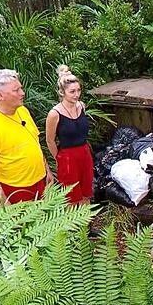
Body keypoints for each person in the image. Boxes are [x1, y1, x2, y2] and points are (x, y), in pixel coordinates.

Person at [0, 69, 53, 206]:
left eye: (21, 88)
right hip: (15, 189)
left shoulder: (22, 110)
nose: (22, 93)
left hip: (40, 181)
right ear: (0, 95)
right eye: (16, 90)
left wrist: (47, 171)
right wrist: (2, 201)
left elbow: (35, 141)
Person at [45, 65, 94, 204]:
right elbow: (50, 140)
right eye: (72, 91)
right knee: (71, 196)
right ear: (62, 93)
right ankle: (72, 224)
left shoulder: (81, 106)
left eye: (78, 90)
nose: (76, 94)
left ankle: (86, 224)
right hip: (67, 156)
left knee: (86, 192)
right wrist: (59, 158)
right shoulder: (55, 113)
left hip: (84, 153)